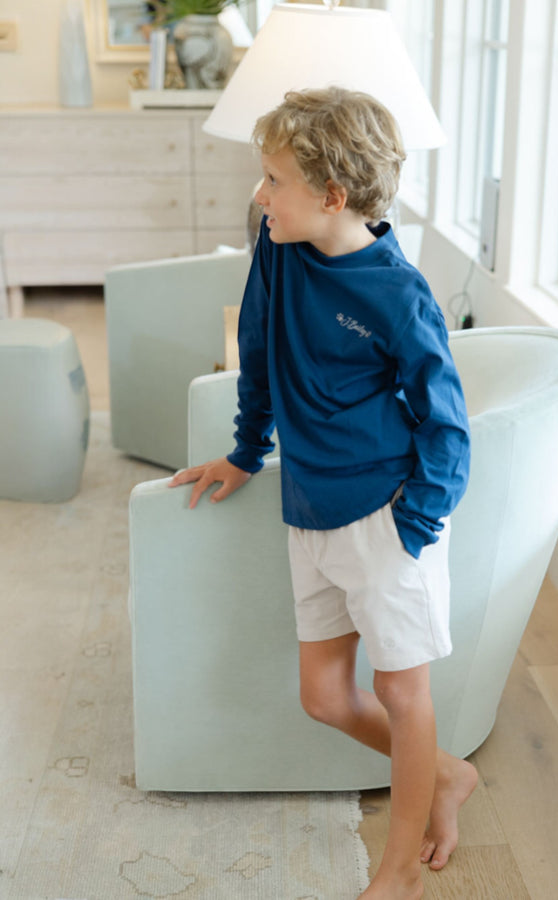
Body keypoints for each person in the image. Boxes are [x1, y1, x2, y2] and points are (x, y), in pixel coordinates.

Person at [169, 87, 477, 900]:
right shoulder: (280, 246)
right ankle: (447, 777)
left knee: (400, 693)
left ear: (332, 196)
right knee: (324, 697)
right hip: (307, 507)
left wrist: (415, 525)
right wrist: (244, 453)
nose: (260, 195)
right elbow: (262, 354)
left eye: (273, 178)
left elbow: (448, 426)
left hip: (385, 516)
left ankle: (399, 872)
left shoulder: (398, 293)